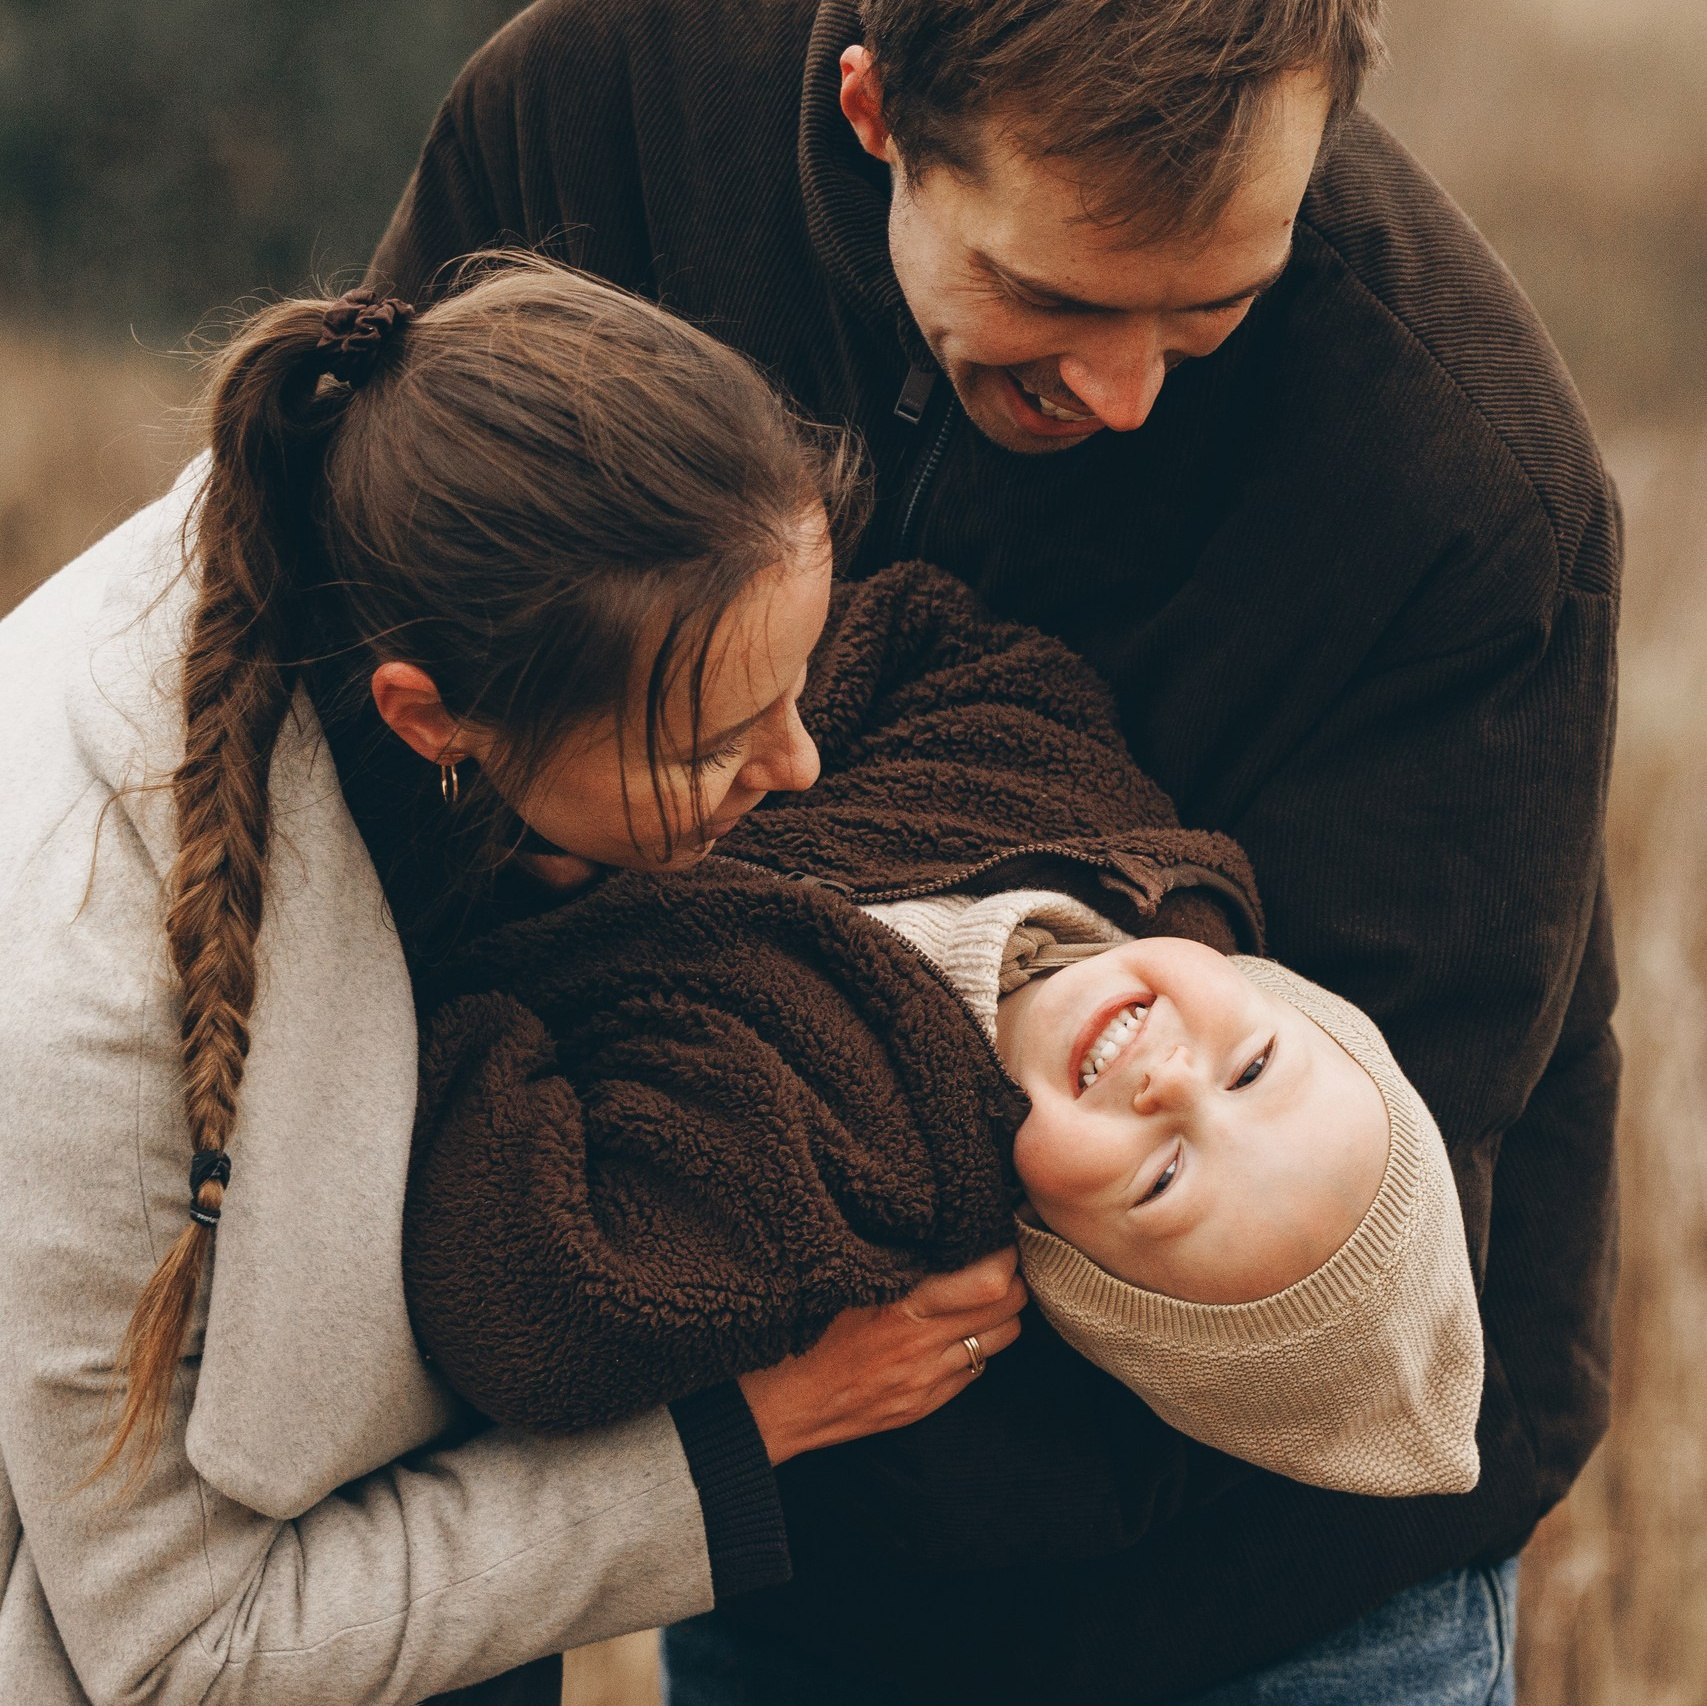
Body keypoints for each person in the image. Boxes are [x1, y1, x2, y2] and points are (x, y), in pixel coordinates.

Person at [371, 0, 1620, 1700]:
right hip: (803, 1540)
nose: (1120, 392)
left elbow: (1348, 1178)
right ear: (874, 111)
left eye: (1214, 311)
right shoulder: (593, 123)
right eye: (1051, 298)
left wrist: (748, 1421)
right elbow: (366, 669)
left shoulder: (1464, 488)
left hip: (1284, 1588)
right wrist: (722, 1441)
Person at [0, 259, 1029, 1706]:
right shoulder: (81, 995)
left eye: (795, 689)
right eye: (710, 742)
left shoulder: (393, 571)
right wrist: (750, 1431)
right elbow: (173, 1648)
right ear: (431, 716)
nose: (795, 766)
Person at [401, 557, 1484, 1502]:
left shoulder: (834, 1185)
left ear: (1071, 1269)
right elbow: (908, 628)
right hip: (516, 649)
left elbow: (528, 1297)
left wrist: (484, 912)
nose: (1174, 1088)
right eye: (1253, 1066)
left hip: (397, 872)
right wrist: (694, 725)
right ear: (1276, 988)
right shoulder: (1078, 798)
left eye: (1161, 1181)